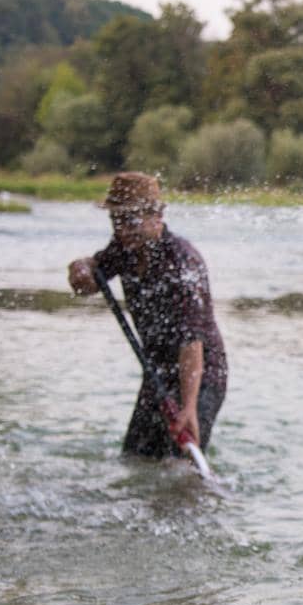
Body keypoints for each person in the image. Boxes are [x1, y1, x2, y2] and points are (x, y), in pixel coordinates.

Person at [67, 172, 228, 459]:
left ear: (157, 216)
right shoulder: (125, 249)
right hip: (156, 373)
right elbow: (92, 279)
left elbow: (191, 341)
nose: (122, 229)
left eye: (129, 220)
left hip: (200, 376)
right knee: (135, 458)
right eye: (115, 220)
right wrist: (81, 268)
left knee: (179, 464)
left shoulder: (181, 262)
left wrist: (189, 407)